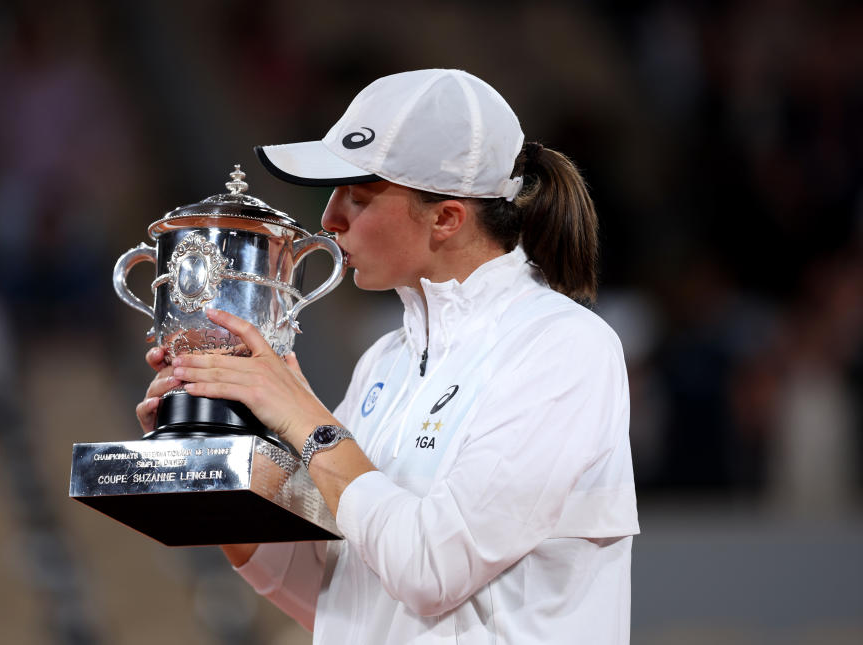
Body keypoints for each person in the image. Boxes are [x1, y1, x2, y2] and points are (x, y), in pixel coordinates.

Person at [137, 69, 639, 644]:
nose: (328, 219)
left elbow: (428, 570)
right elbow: (340, 599)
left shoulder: (563, 347)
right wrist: (221, 459)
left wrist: (303, 415)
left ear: (447, 218)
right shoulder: (385, 358)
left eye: (358, 195)